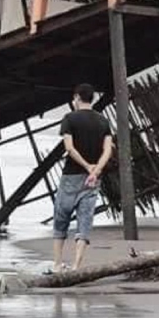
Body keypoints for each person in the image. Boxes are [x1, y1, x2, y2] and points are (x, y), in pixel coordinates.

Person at [50, 83, 113, 273]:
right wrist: (95, 171)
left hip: (71, 176)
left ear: (77, 98)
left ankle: (57, 264)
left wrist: (86, 166)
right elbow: (108, 150)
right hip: (92, 180)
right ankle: (77, 266)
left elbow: (69, 148)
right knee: (85, 221)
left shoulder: (69, 119)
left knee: (61, 219)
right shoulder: (103, 121)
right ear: (92, 98)